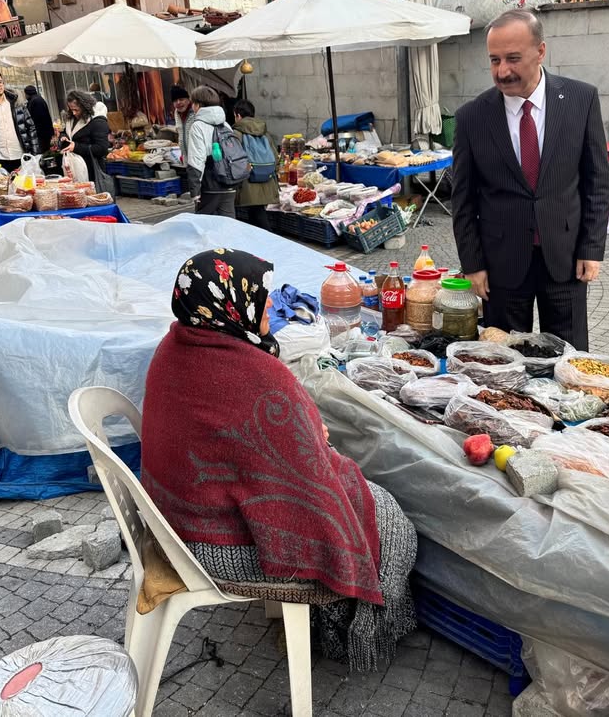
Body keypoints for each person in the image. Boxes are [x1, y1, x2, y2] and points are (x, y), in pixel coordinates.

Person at [141, 249, 417, 671]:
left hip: (174, 518)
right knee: (388, 517)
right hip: (209, 543)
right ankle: (353, 635)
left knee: (357, 491)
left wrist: (305, 439)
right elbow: (305, 478)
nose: (271, 302)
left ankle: (335, 625)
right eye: (260, 295)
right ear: (228, 304)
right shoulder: (250, 374)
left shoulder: (179, 343)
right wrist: (319, 447)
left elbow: (247, 447)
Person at [451, 9, 609, 350]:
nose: (502, 71)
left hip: (565, 258)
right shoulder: (472, 118)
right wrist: (473, 264)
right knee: (504, 358)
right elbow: (463, 200)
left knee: (568, 356)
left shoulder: (581, 100)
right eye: (494, 60)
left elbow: (596, 181)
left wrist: (591, 248)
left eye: (513, 58)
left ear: (540, 51)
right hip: (501, 262)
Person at [184, 85, 238, 218]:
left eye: (193, 103)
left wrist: (195, 191)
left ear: (198, 105)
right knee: (229, 227)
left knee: (205, 227)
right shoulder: (225, 124)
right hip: (229, 183)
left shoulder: (198, 126)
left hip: (210, 185)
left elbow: (197, 160)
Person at [232, 99, 278, 230]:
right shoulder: (264, 132)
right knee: (256, 214)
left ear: (238, 115)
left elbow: (235, 160)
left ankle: (271, 244)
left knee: (257, 216)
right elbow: (275, 156)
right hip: (267, 179)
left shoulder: (236, 133)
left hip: (248, 182)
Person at [57, 90, 111, 191]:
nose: (74, 113)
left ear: (84, 106)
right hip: (73, 168)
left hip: (92, 171)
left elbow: (102, 149)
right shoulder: (72, 119)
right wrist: (63, 137)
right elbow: (66, 132)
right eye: (71, 109)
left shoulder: (98, 122)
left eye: (76, 110)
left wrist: (76, 147)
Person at [24, 86, 55, 153]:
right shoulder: (38, 99)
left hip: (41, 134)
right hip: (44, 132)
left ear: (27, 93)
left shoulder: (35, 101)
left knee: (43, 152)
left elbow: (39, 119)